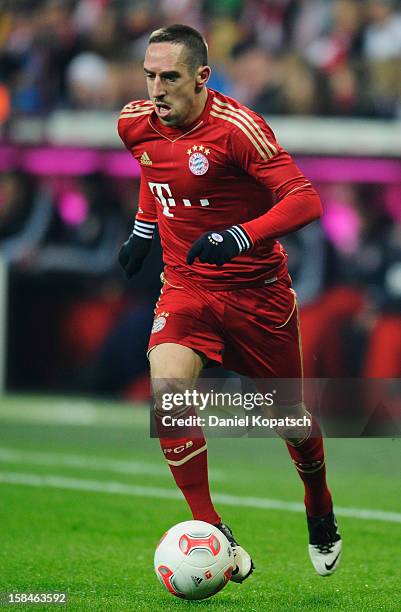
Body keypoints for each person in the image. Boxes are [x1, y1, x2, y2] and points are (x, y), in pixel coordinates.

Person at [118, 24, 342, 584]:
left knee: (290, 421)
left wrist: (242, 235)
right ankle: (213, 529)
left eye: (169, 77)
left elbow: (305, 198)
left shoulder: (238, 128)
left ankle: (318, 501)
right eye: (149, 75)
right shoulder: (133, 123)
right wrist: (145, 231)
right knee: (168, 391)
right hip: (187, 286)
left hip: (257, 295)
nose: (156, 89)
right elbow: (154, 169)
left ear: (201, 77)